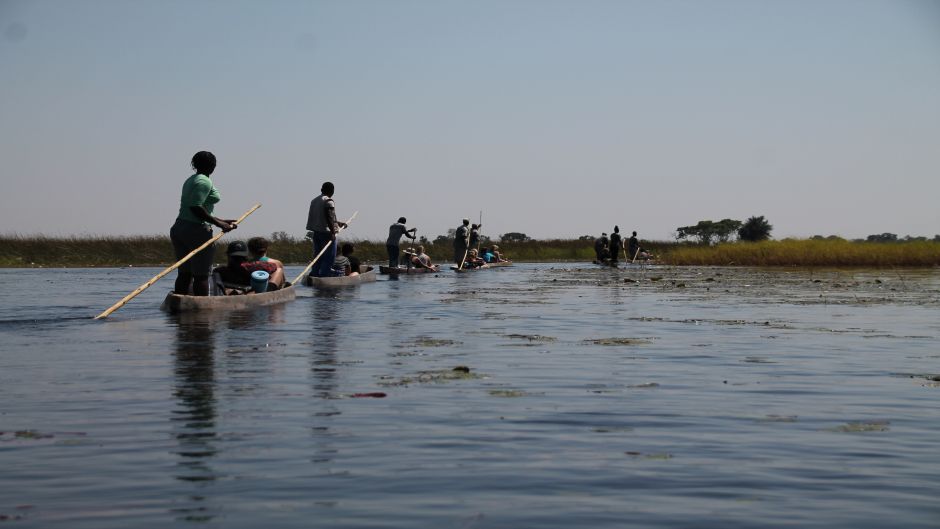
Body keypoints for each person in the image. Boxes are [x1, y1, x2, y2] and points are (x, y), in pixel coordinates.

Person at [170, 150, 237, 296]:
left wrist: (221, 221)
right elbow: (196, 207)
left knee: (184, 272)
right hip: (196, 231)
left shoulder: (191, 179)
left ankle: (180, 306)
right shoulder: (204, 181)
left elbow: (198, 208)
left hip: (180, 227)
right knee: (201, 275)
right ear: (213, 166)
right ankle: (200, 311)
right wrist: (220, 225)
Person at [306, 181, 347, 277]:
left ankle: (315, 273)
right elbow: (329, 216)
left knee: (318, 255)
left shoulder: (314, 200)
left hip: (316, 232)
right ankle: (325, 273)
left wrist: (338, 223)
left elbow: (322, 217)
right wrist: (333, 232)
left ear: (321, 190)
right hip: (326, 233)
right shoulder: (328, 201)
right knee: (329, 256)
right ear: (332, 191)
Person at [215, 240, 281, 292]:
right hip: (245, 291)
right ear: (246, 257)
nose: (238, 261)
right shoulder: (252, 266)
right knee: (279, 270)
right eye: (236, 258)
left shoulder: (220, 270)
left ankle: (269, 290)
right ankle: (269, 291)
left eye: (240, 258)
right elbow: (274, 266)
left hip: (241, 289)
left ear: (228, 256)